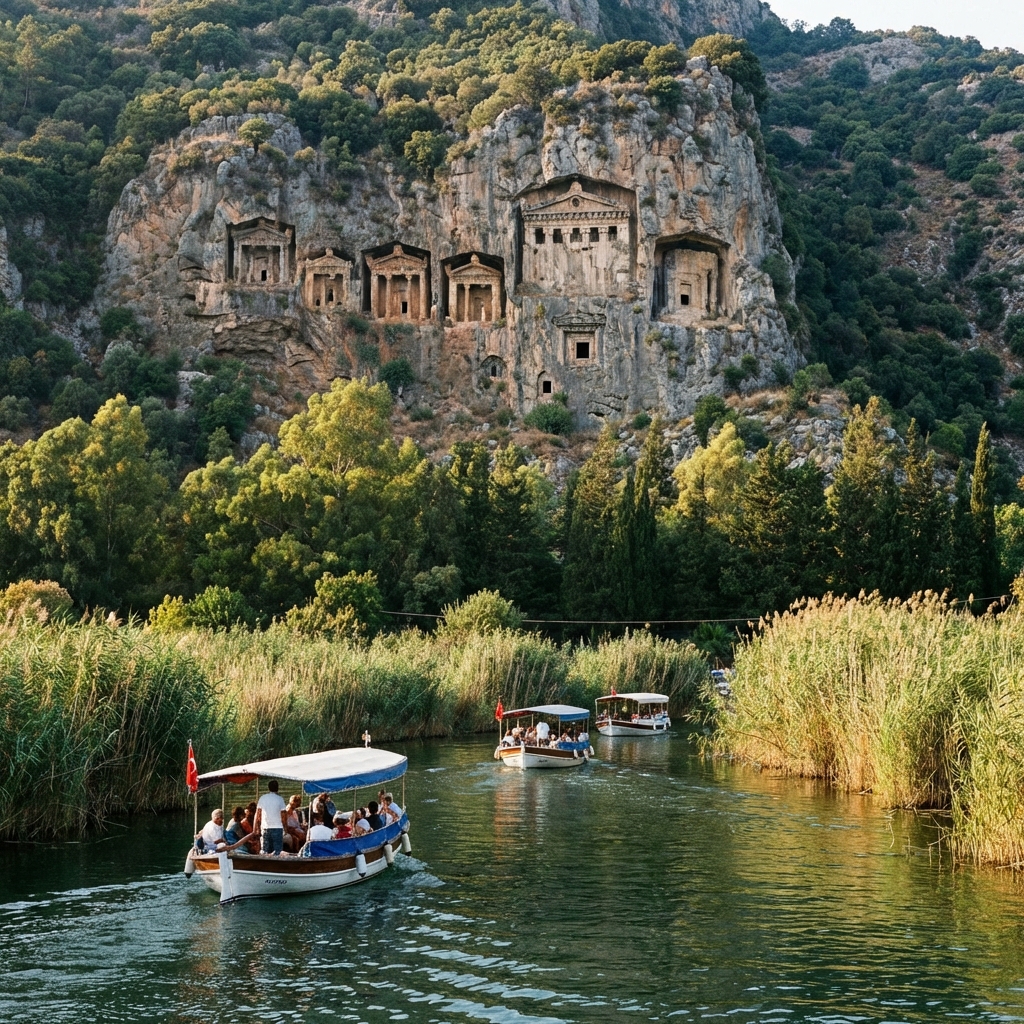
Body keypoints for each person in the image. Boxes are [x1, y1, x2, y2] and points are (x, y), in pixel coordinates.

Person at [254, 779, 288, 855]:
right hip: (278, 827)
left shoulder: (263, 798)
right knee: (277, 852)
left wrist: (256, 827)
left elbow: (258, 814)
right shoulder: (280, 799)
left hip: (265, 827)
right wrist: (285, 828)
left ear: (268, 788)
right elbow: (283, 816)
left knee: (265, 851)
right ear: (278, 788)